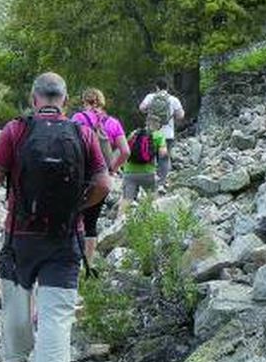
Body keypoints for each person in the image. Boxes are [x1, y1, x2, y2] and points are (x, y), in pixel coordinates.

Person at [0, 73, 110, 362]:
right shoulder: (83, 133)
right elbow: (104, 183)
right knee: (56, 317)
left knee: (17, 300)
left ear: (33, 98)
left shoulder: (16, 130)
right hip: (66, 237)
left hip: (20, 235)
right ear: (65, 100)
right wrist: (78, 208)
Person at [71, 88, 129, 260]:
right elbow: (125, 151)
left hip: (79, 176)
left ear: (84, 101)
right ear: (102, 102)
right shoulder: (113, 123)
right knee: (91, 222)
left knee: (73, 218)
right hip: (101, 177)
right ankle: (88, 265)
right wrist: (112, 169)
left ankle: (71, 259)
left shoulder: (78, 118)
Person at [138, 79, 184, 184]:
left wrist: (150, 112)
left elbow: (141, 108)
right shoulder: (173, 99)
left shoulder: (150, 97)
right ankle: (161, 183)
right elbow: (181, 115)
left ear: (157, 87)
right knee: (164, 159)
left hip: (152, 132)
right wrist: (171, 115)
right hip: (168, 134)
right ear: (167, 88)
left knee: (149, 156)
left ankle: (149, 181)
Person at [118, 120, 167, 215]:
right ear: (158, 125)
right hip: (148, 172)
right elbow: (163, 153)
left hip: (129, 172)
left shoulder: (134, 133)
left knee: (127, 199)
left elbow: (125, 149)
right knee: (153, 198)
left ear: (146, 123)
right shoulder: (159, 135)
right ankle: (151, 219)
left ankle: (118, 220)